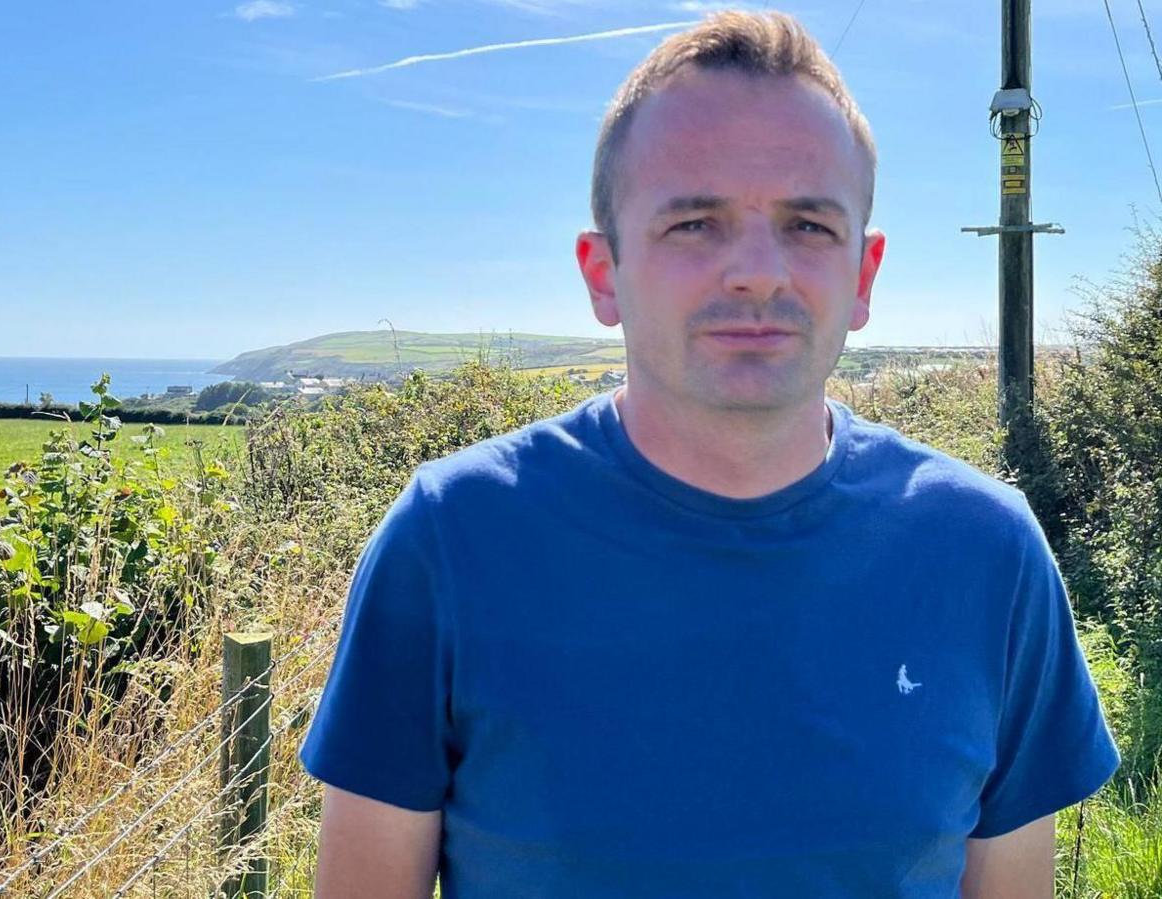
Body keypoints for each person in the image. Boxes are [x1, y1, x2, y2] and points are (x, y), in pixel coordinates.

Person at [297, 9, 1120, 899]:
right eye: (695, 223)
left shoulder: (988, 555)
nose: (758, 271)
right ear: (602, 271)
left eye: (809, 225)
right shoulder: (451, 541)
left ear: (864, 275)